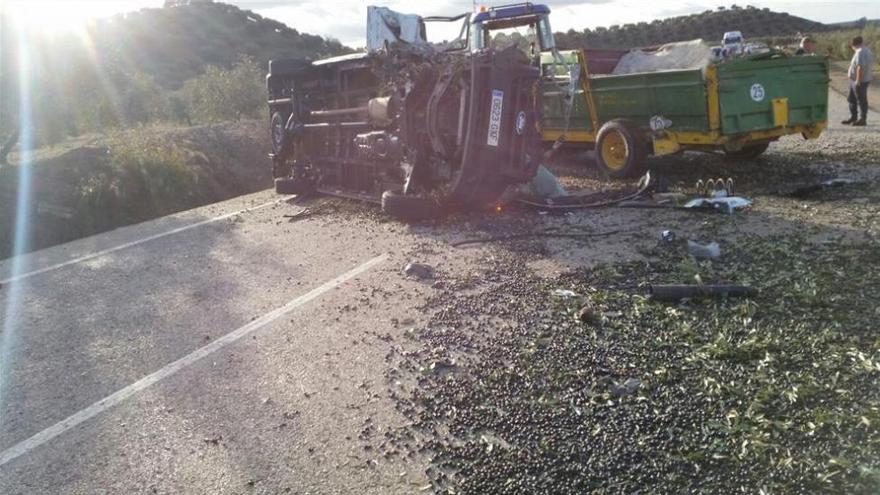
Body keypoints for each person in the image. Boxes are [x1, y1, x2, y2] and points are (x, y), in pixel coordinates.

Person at [843, 36, 874, 127]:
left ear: (853, 45)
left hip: (860, 81)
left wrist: (858, 81)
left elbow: (860, 67)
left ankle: (862, 119)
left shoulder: (860, 52)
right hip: (856, 80)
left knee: (861, 100)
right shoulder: (865, 51)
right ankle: (853, 117)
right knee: (851, 99)